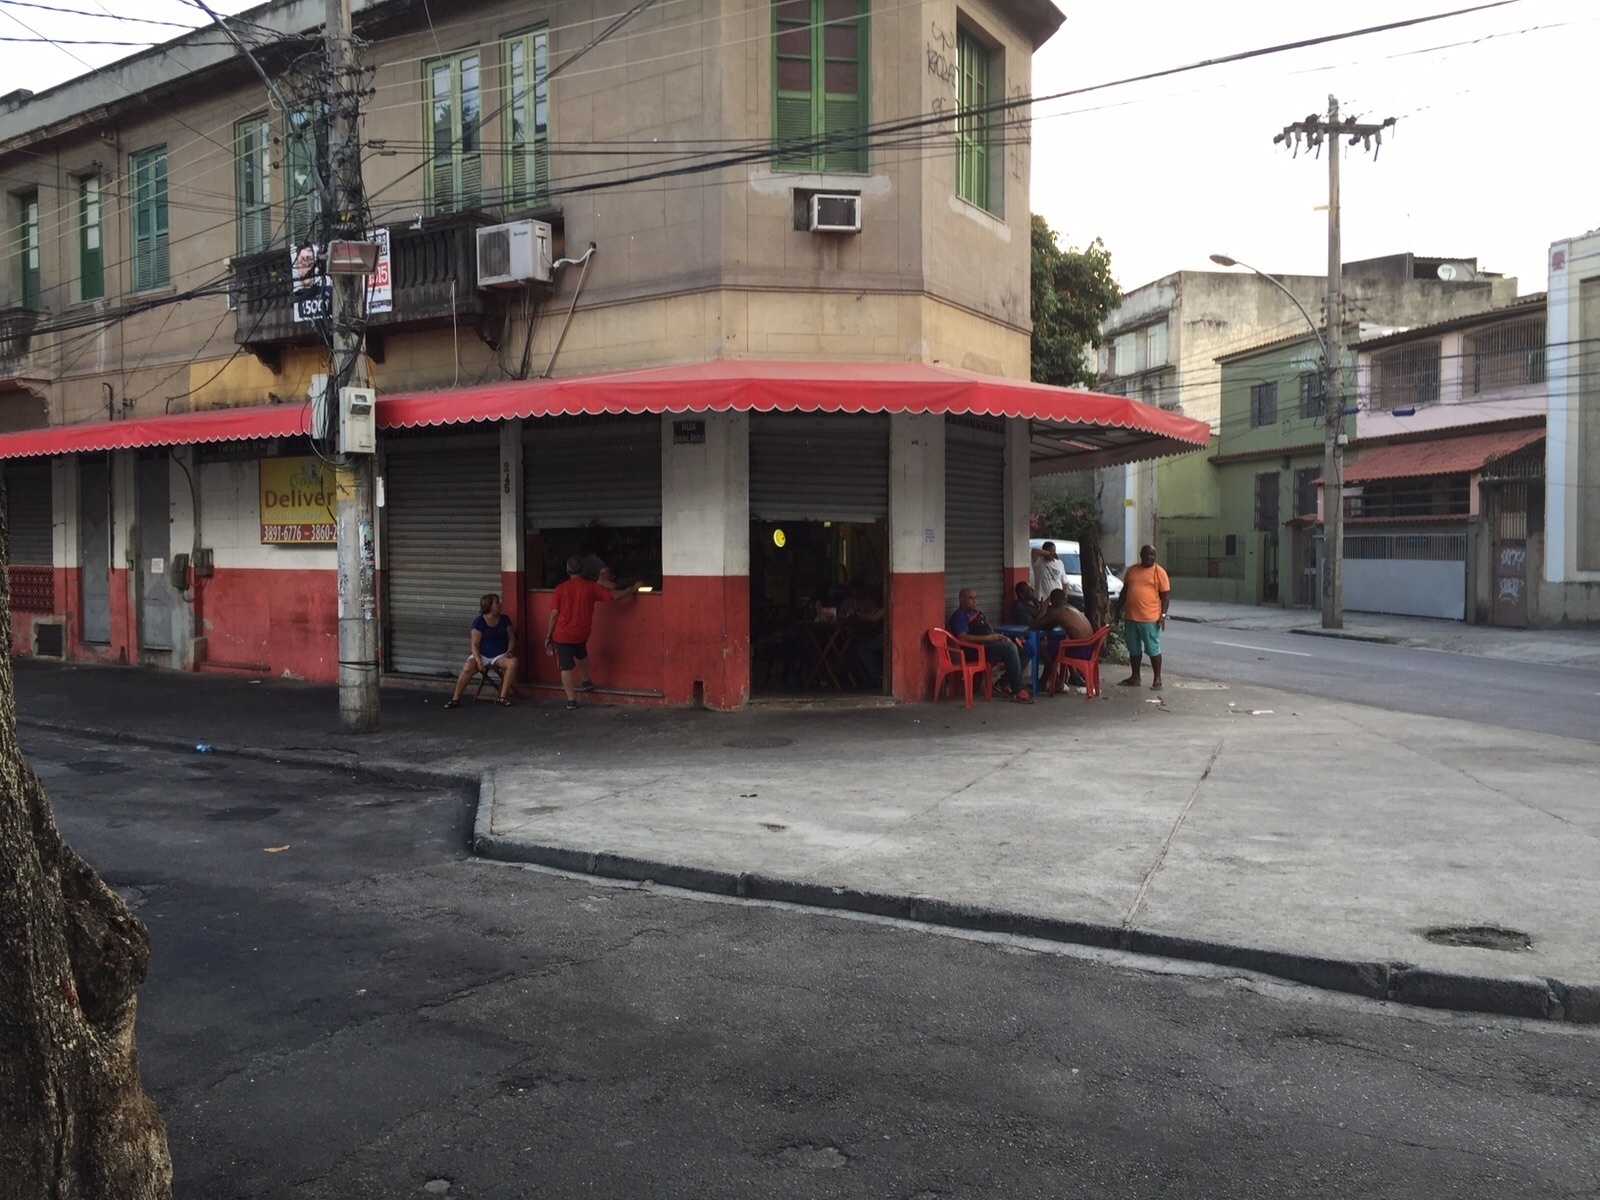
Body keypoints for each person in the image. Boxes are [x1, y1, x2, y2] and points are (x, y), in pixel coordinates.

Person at [545, 555, 642, 710]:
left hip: (562, 634)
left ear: (568, 571)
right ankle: (586, 681)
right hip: (582, 632)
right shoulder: (591, 587)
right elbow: (615, 595)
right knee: (582, 654)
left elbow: (554, 614)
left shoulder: (560, 589)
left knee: (566, 667)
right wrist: (633, 589)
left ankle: (571, 700)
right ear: (583, 570)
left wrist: (548, 635)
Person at [948, 587, 1033, 703]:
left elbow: (989, 631)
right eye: (971, 598)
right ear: (962, 600)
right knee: (1010, 648)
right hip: (976, 651)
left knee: (1025, 650)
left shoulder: (978, 614)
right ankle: (1018, 689)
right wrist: (988, 638)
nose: (974, 601)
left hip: (990, 646)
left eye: (975, 598)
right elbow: (962, 637)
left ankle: (1004, 682)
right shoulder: (960, 615)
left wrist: (1002, 637)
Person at [1114, 543, 1171, 691]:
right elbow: (1125, 592)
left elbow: (1165, 596)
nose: (1148, 557)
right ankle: (1135, 677)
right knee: (1134, 649)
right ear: (1141, 555)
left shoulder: (1159, 572)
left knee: (1153, 649)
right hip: (1131, 617)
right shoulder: (1132, 570)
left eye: (1151, 555)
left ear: (1155, 557)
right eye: (1146, 554)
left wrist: (1163, 615)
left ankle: (1157, 679)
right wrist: (1117, 610)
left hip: (1149, 618)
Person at [444, 593, 518, 708]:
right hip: (482, 654)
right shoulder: (479, 621)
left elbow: (512, 638)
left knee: (513, 663)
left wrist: (510, 651)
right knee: (467, 667)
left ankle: (502, 697)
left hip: (500, 655)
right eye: (497, 602)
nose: (500, 604)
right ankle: (456, 698)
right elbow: (475, 644)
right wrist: (478, 661)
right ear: (489, 606)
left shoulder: (505, 619)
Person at [1031, 587, 1095, 690]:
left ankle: (1055, 676)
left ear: (1051, 601)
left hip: (1080, 650)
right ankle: (1044, 681)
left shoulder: (1056, 612)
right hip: (1090, 647)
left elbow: (1034, 626)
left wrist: (1042, 609)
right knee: (1053, 645)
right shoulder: (1072, 608)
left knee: (1042, 646)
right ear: (1065, 598)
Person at [1032, 541, 1069, 605]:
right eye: (1050, 551)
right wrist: (1048, 553)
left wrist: (1064, 596)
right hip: (1042, 600)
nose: (1053, 553)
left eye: (1054, 551)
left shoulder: (1059, 563)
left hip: (1057, 601)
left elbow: (1064, 582)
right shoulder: (1039, 562)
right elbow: (1034, 551)